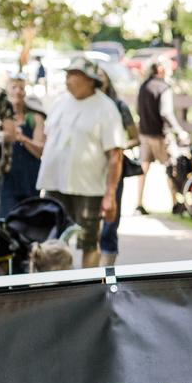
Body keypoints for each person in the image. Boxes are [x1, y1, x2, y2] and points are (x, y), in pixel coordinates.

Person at [36, 56, 124, 268]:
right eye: (67, 75)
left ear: (88, 79)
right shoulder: (60, 103)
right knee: (52, 239)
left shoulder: (106, 108)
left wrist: (110, 194)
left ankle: (87, 287)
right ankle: (54, 285)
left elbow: (115, 154)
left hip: (88, 188)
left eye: (73, 75)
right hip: (55, 184)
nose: (67, 80)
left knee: (88, 241)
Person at [95, 63, 138, 266]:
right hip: (91, 169)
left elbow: (135, 137)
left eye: (101, 75)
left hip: (114, 166)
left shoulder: (119, 107)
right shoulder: (88, 107)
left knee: (111, 219)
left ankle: (107, 268)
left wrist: (116, 146)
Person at [135, 58, 186, 215]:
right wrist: (179, 131)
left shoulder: (143, 86)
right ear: (160, 70)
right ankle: (175, 202)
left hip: (144, 134)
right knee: (170, 167)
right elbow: (166, 112)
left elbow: (137, 109)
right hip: (160, 135)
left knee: (143, 169)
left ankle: (139, 203)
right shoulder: (164, 88)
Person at [0, 75, 46, 213]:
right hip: (6, 179)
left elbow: (40, 150)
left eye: (21, 88)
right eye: (14, 87)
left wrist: (22, 138)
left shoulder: (35, 118)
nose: (18, 91)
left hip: (29, 178)